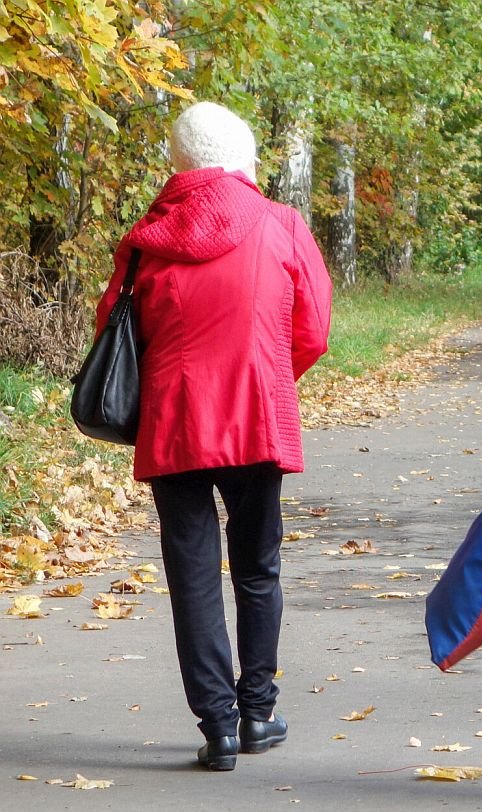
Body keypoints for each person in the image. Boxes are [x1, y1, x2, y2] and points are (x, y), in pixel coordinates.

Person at [95, 101, 332, 769]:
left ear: (180, 163)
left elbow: (112, 330)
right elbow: (312, 331)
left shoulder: (147, 237)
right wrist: (270, 375)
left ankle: (218, 727)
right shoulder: (281, 224)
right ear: (241, 158)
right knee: (258, 565)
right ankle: (258, 711)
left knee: (193, 574)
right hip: (257, 414)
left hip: (174, 423)